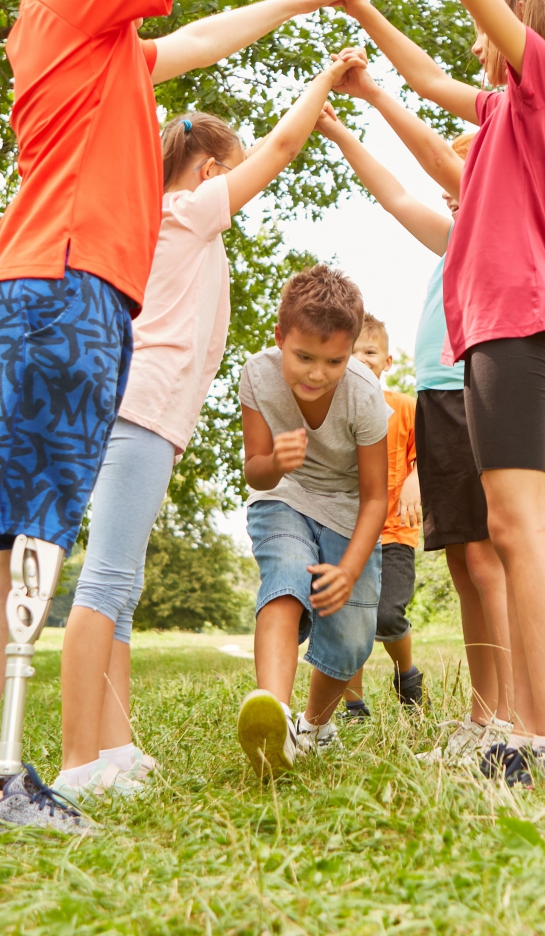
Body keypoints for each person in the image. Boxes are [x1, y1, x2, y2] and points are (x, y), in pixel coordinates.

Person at [0, 0, 402, 839]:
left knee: (20, 544)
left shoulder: (107, 59)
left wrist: (309, 0)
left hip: (66, 297)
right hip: (59, 291)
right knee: (24, 546)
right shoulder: (67, 5)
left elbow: (211, 32)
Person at [324, 0, 545, 788]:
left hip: (518, 324)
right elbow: (428, 81)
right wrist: (361, 18)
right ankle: (526, 725)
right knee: (509, 531)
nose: (477, 31)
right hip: (489, 336)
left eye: (494, 19)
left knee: (521, 528)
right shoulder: (500, 121)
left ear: (524, 23)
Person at [52, 53, 367, 802]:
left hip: (142, 411)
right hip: (145, 407)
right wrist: (321, 79)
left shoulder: (162, 217)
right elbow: (278, 153)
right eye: (226, 172)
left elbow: (258, 154)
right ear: (203, 172)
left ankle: (115, 745)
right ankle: (75, 763)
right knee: (107, 579)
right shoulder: (186, 212)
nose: (236, 186)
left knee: (120, 585)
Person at [316, 102, 513, 763]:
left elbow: (422, 177)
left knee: (485, 562)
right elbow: (395, 194)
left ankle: (505, 713)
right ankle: (482, 716)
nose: (444, 193)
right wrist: (340, 131)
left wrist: (374, 102)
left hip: (466, 392)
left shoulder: (494, 226)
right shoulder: (457, 234)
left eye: (456, 176)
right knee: (463, 564)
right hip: (437, 399)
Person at [236, 265, 390, 777]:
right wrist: (276, 462)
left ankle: (313, 728)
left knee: (350, 635)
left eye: (334, 361)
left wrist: (348, 569)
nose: (316, 373)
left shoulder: (366, 396)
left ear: (350, 353)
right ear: (280, 338)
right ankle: (273, 715)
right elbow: (255, 472)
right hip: (284, 495)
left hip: (350, 509)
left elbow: (374, 498)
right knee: (285, 576)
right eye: (303, 357)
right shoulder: (257, 375)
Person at [340, 313, 424, 717]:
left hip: (394, 535)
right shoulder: (337, 409)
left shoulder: (406, 408)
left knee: (387, 615)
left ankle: (407, 674)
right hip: (348, 534)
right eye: (354, 352)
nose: (362, 358)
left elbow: (430, 453)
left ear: (387, 361)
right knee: (349, 620)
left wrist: (414, 478)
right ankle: (353, 705)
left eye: (370, 351)